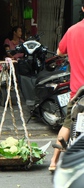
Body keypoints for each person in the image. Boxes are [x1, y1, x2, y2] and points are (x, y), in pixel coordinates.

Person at [49, 1, 84, 172]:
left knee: (67, 125)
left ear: (83, 9)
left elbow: (59, 52)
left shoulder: (72, 30)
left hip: (77, 91)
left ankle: (54, 162)